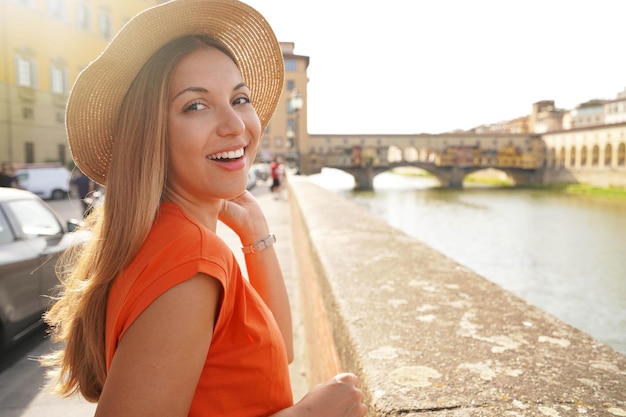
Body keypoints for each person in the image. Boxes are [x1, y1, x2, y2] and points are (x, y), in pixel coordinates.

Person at [43, 1, 366, 417]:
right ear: (151, 134)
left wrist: (256, 233)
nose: (235, 125)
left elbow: (275, 349)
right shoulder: (191, 259)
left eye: (240, 98)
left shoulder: (163, 238)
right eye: (195, 105)